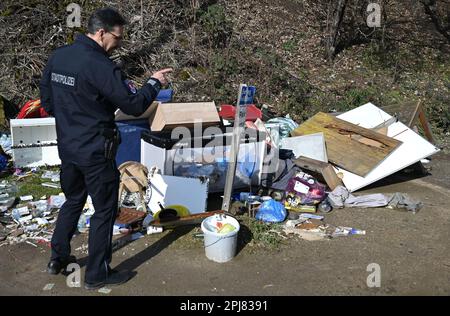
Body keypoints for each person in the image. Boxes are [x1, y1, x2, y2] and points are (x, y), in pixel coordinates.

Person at [39, 7, 173, 290]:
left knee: (74, 200)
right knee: (104, 211)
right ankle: (97, 274)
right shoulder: (100, 66)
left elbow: (48, 102)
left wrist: (74, 118)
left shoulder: (59, 57)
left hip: (68, 148)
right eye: (117, 38)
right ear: (101, 33)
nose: (119, 44)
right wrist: (153, 83)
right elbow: (134, 105)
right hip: (97, 152)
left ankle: (57, 258)